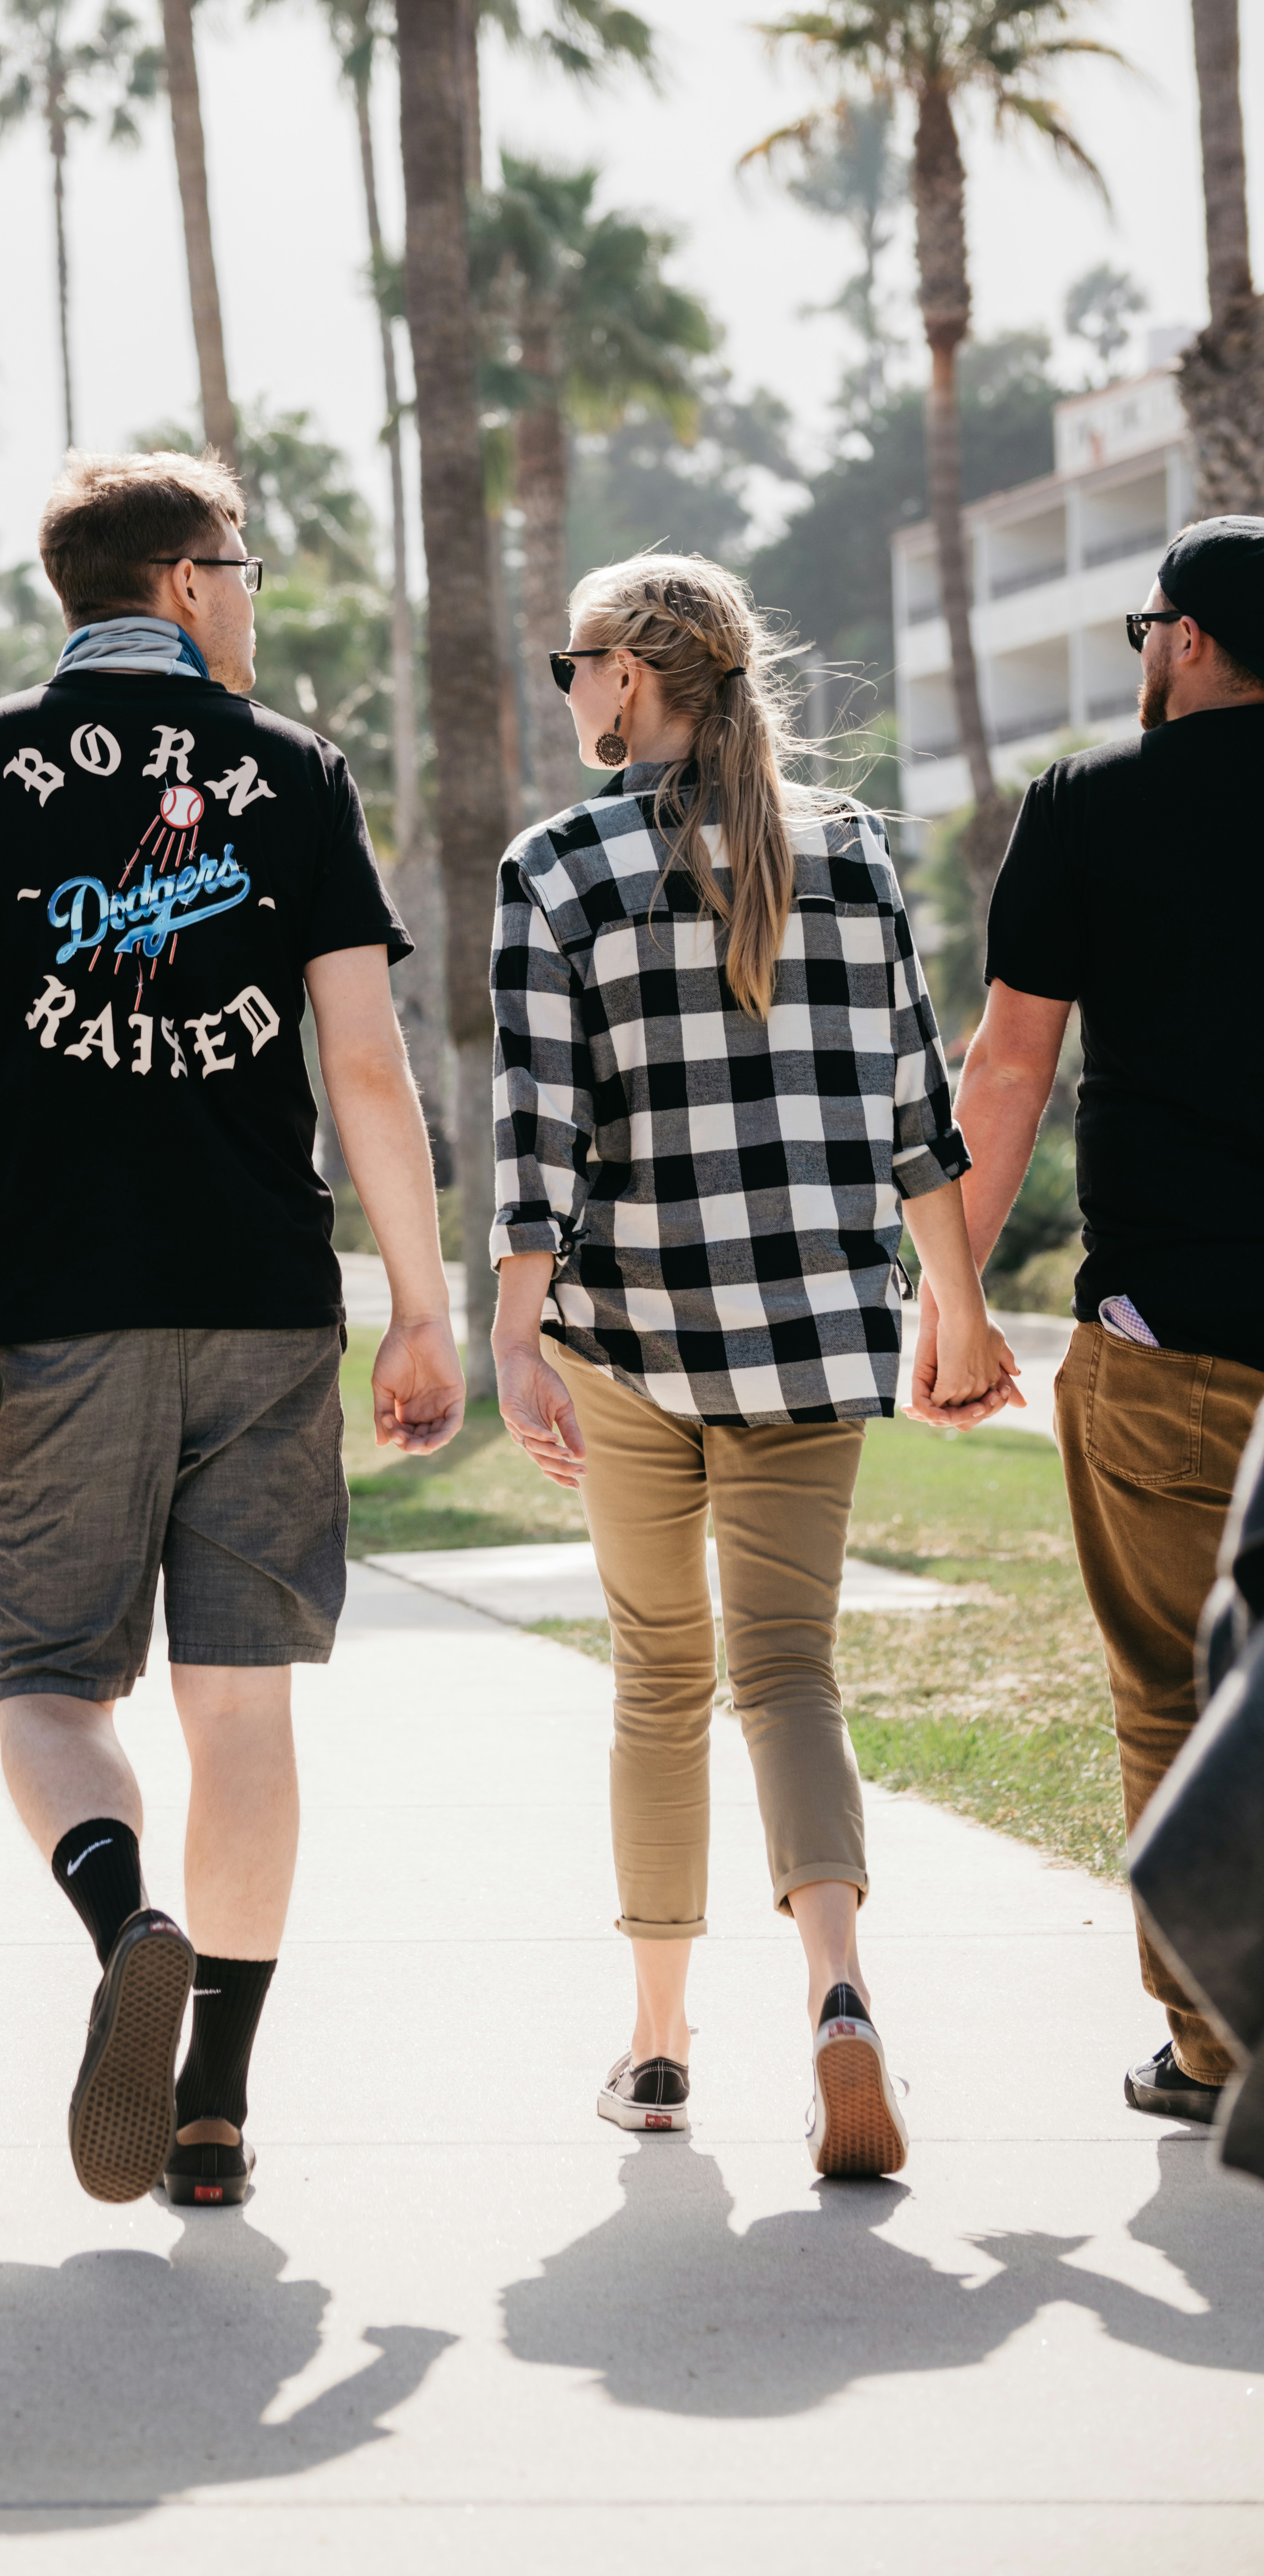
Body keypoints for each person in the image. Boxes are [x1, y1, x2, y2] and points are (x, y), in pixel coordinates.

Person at [0, 448, 463, 2208]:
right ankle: (215, 2109)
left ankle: (125, 1924)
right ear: (185, 584)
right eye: (241, 568)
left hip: (54, 1315)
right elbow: (364, 1066)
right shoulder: (294, 772)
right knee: (241, 1712)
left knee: (49, 1683)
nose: (253, 597)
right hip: (266, 1306)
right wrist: (422, 1305)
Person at [488, 552, 1019, 2177]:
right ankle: (843, 2001)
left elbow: (539, 1137)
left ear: (634, 682)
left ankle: (657, 2052)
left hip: (636, 1336)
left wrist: (518, 1332)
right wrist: (960, 1310)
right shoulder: (850, 853)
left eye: (575, 663)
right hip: (811, 1334)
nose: (565, 687)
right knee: (792, 1675)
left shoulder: (558, 867)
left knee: (662, 1682)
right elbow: (914, 1117)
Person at [919, 514, 1264, 2127]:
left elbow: (1007, 1066)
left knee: (1172, 1693)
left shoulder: (1089, 806)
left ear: (1186, 637)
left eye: (1146, 626)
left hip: (1168, 1336)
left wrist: (955, 1296)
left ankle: (1214, 2052)